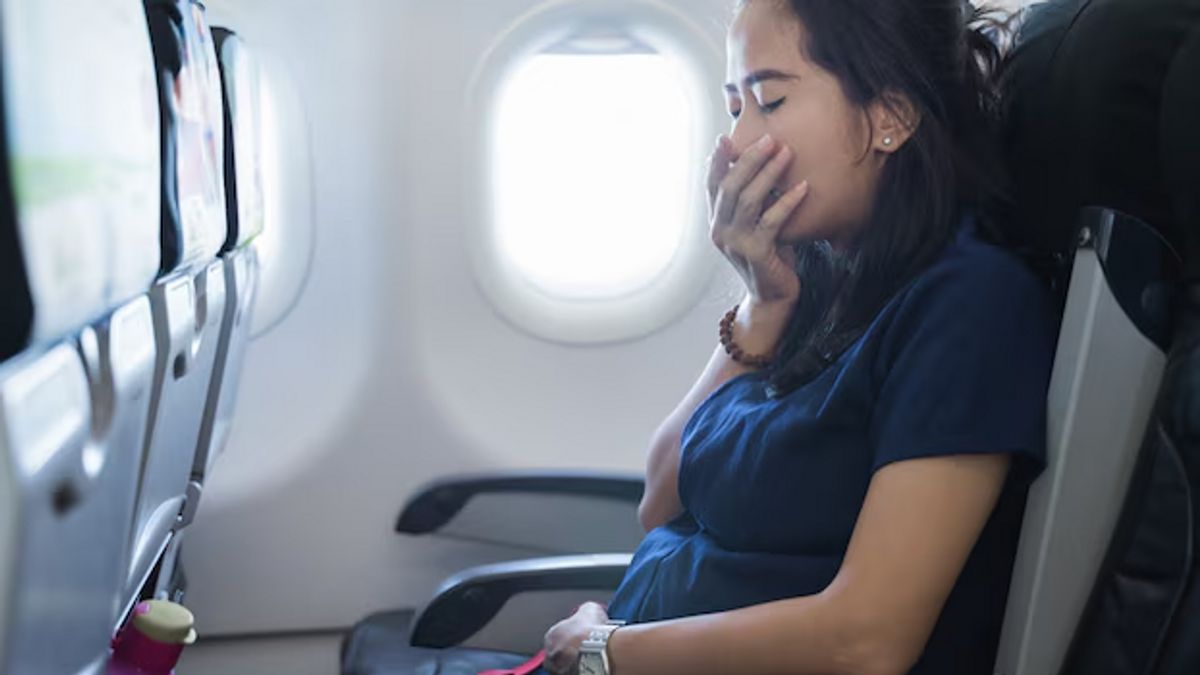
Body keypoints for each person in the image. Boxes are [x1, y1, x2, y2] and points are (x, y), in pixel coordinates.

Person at [540, 1, 1057, 673]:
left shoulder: (970, 307)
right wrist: (762, 303)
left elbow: (866, 639)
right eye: (734, 108)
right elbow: (660, 497)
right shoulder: (816, 281)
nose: (736, 143)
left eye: (771, 100)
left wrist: (604, 651)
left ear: (890, 118)